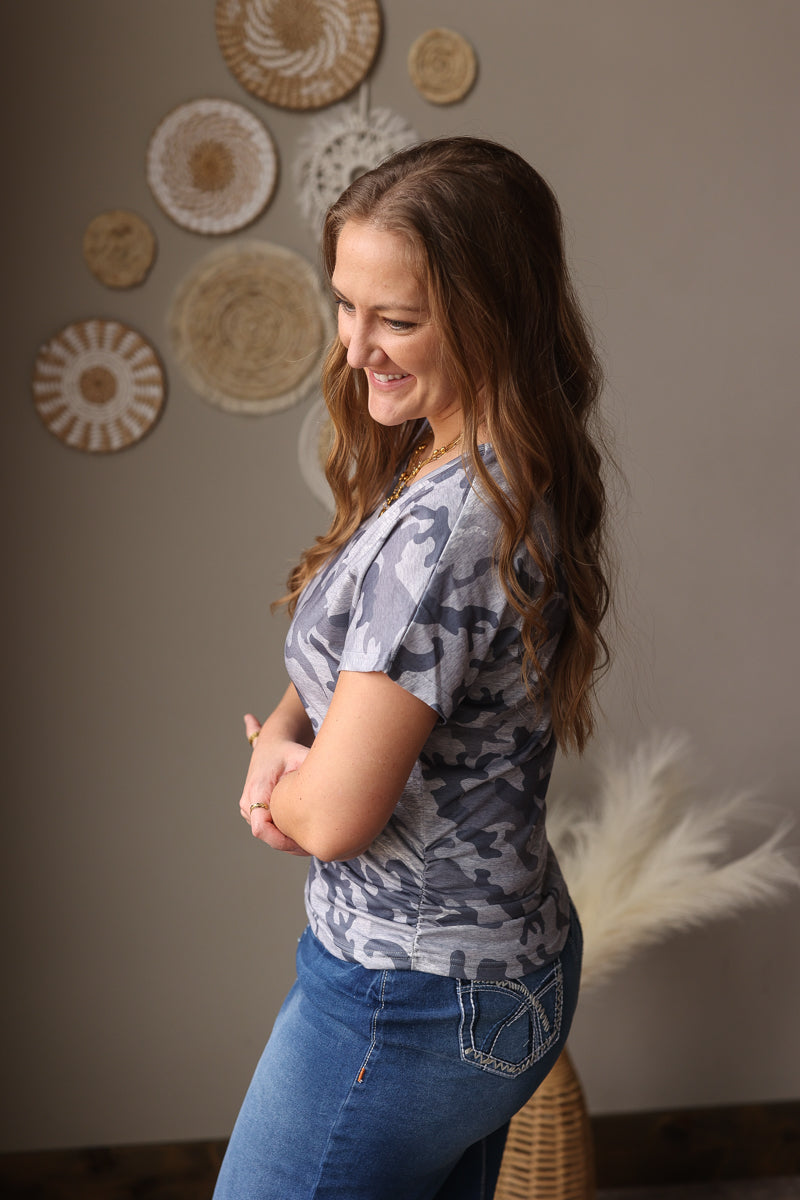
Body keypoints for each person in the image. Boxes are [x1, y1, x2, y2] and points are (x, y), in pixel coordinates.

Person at [213, 136, 610, 1200]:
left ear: (494, 314)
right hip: (503, 968)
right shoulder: (496, 456)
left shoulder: (443, 534)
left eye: (397, 320)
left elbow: (336, 818)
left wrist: (279, 786)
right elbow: (369, 650)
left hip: (403, 999)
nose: (356, 348)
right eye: (346, 305)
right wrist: (291, 728)